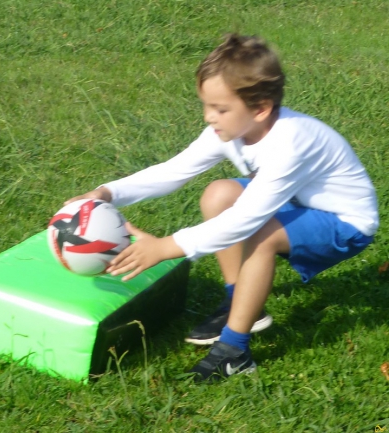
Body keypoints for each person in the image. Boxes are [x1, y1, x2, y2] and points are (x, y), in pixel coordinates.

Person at [65, 33, 379, 382]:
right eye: (206, 105)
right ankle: (241, 303)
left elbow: (246, 219)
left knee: (259, 234)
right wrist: (107, 193)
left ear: (260, 108)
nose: (209, 117)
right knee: (217, 194)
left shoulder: (292, 142)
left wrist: (167, 247)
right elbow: (174, 170)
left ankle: (234, 352)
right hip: (297, 201)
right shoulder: (229, 130)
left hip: (346, 222)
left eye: (220, 108)